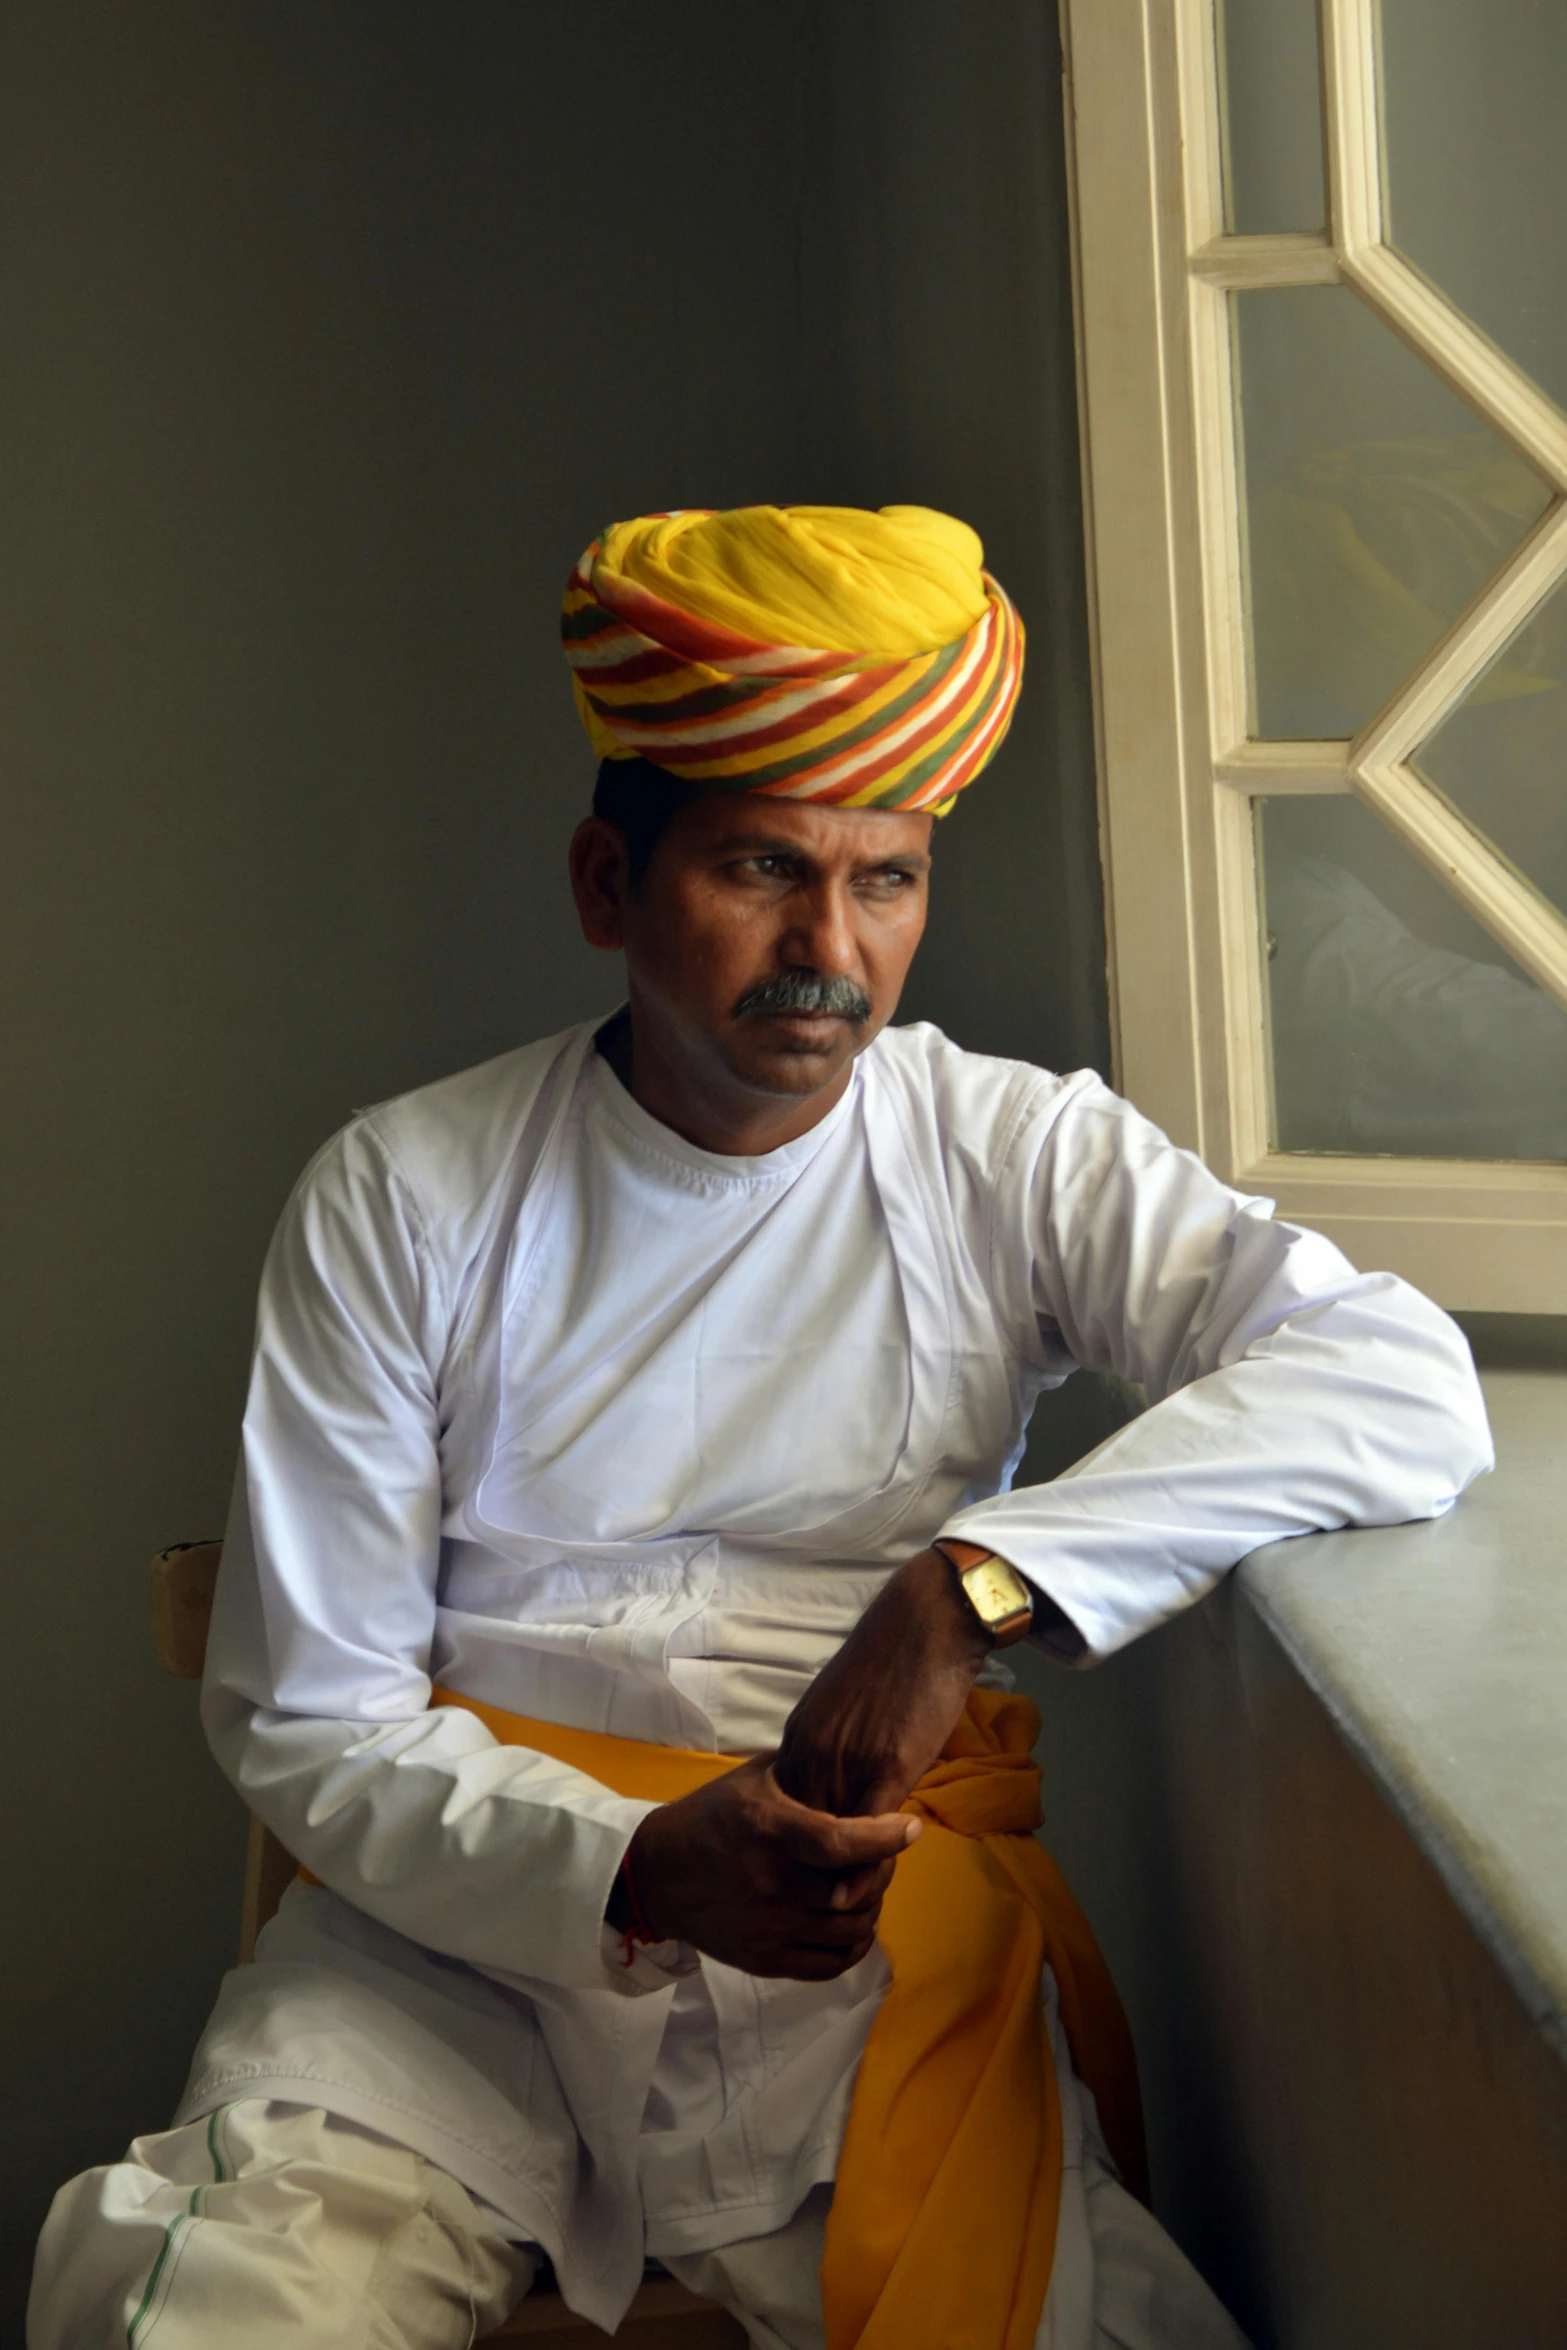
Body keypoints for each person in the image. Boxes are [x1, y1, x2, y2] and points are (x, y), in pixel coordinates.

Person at [31, 505, 1492, 2350]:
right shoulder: (405, 1188)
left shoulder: (1004, 1148)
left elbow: (1395, 1372)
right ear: (603, 883)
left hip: (861, 1977)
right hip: (450, 1964)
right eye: (759, 872)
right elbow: (312, 1715)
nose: (831, 949)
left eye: (885, 879)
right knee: (196, 2315)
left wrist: (961, 1593)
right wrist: (632, 1863)